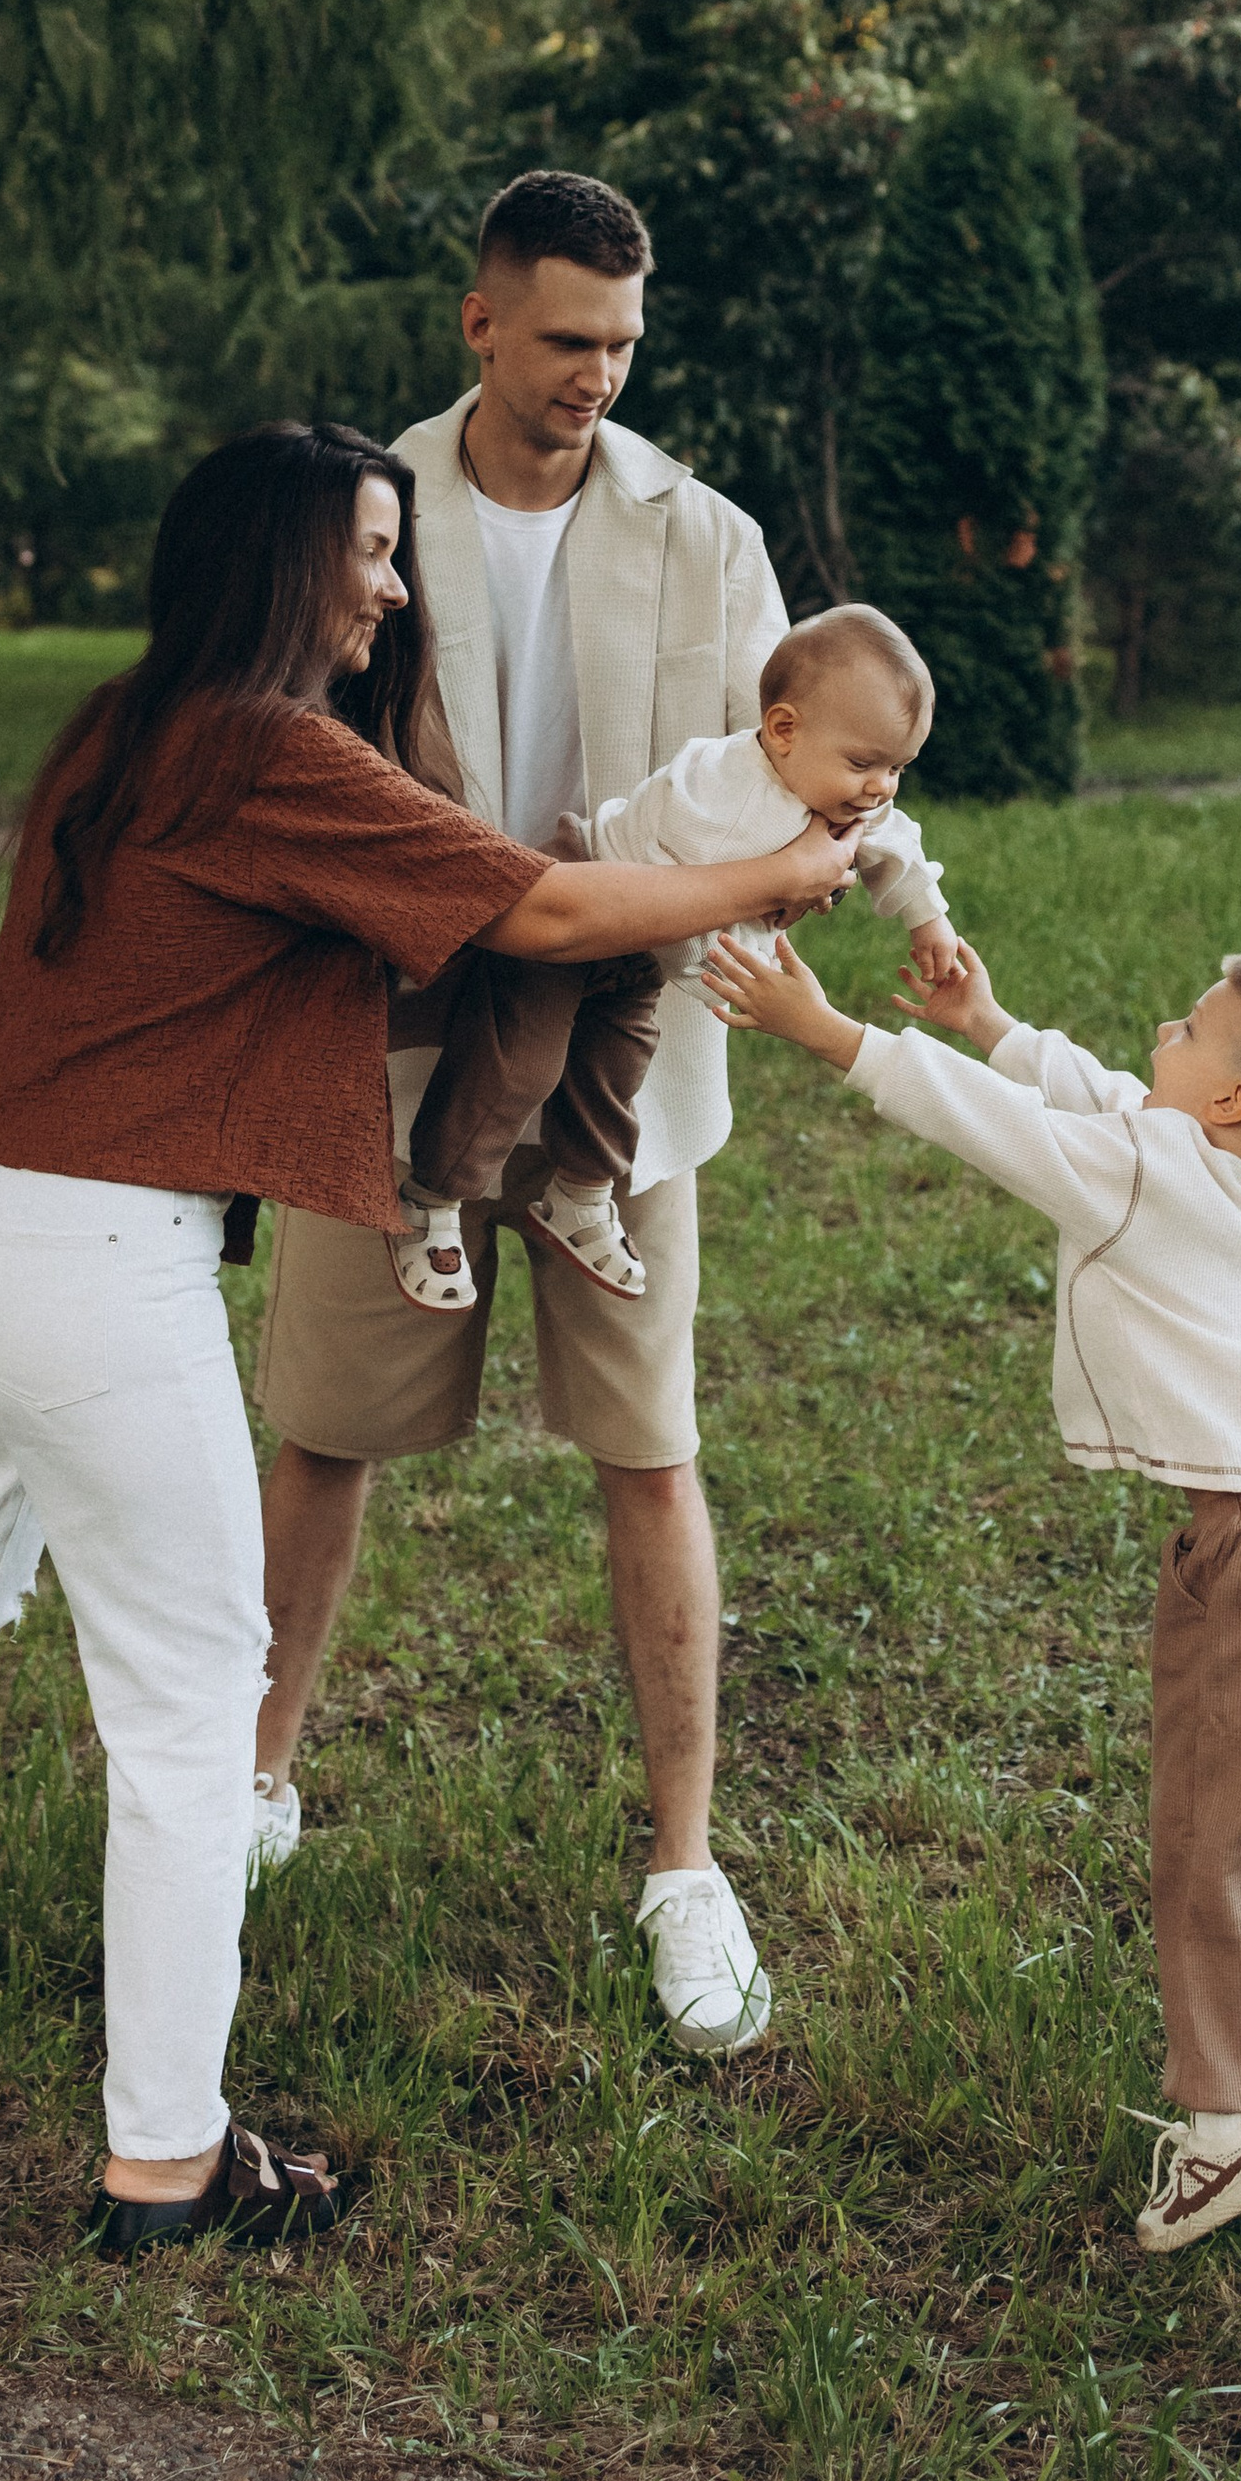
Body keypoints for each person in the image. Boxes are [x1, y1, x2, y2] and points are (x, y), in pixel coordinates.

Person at [0, 421, 855, 2258]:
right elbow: (537, 908)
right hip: (93, 1266)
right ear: (279, 560)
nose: (393, 585)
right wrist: (759, 881)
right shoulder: (270, 753)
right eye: (368, 552)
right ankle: (166, 2162)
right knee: (191, 1707)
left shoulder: (129, 725)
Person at [249, 171, 955, 2061]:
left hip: (623, 1083)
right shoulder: (363, 513)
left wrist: (857, 886)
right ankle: (250, 1787)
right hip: (391, 1054)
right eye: (567, 339)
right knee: (323, 1439)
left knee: (653, 1454)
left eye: (625, 345)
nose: (598, 375)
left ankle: (686, 1868)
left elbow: (816, 774)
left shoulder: (709, 541)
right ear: (479, 321)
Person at [704, 919, 1241, 2256]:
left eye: (1187, 1030)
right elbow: (1108, 1098)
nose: (1160, 1039)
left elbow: (1002, 1128)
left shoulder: (1143, 1169)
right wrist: (989, 1021)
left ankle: (1225, 2130)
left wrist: (829, 1034)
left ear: (1230, 1097)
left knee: (1212, 1834)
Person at [390, 605, 955, 1311]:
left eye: (898, 767)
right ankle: (431, 1197)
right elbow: (686, 916)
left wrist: (928, 919)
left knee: (619, 1063)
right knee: (519, 1061)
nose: (881, 787)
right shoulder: (717, 794)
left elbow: (894, 837)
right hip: (582, 901)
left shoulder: (836, 791)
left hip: (635, 951)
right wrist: (738, 980)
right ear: (784, 730)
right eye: (864, 764)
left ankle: (579, 1194)